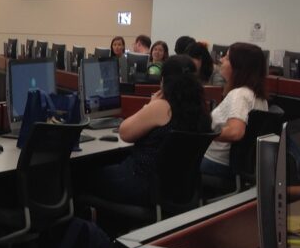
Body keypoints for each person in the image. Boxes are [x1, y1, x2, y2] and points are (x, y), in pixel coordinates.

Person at [83, 55, 212, 206]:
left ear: (164, 81)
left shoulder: (162, 107)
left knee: (81, 173)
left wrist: (149, 106)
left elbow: (124, 133)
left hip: (142, 183)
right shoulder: (202, 111)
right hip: (179, 190)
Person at [200, 42, 269, 179]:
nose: (221, 60)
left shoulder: (240, 95)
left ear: (238, 66)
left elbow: (235, 132)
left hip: (216, 162)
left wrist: (202, 134)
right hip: (232, 164)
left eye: (226, 58)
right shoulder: (259, 98)